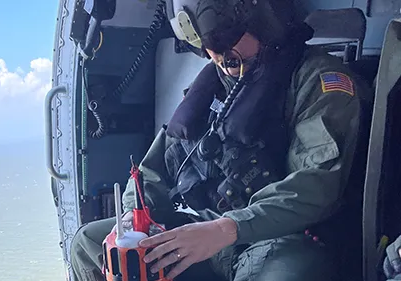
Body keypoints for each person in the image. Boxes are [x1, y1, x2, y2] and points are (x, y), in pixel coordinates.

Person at [70, 0, 370, 280]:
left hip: (284, 237)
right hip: (208, 227)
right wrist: (134, 218)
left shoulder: (319, 83)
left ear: (264, 20)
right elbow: (152, 171)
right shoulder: (212, 87)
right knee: (90, 243)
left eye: (225, 38)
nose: (216, 55)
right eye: (206, 45)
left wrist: (228, 228)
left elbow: (315, 186)